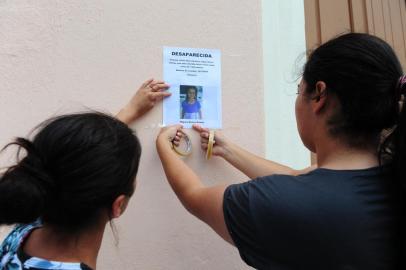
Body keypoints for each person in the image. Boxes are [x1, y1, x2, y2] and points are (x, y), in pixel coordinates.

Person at [156, 33, 405, 269]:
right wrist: (229, 149)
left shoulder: (281, 204)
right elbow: (300, 179)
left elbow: (195, 195)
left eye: (299, 90)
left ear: (319, 95)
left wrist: (164, 147)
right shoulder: (387, 174)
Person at [0, 79, 170, 270]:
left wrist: (128, 112)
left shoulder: (24, 231)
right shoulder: (34, 214)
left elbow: (73, 162)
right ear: (118, 206)